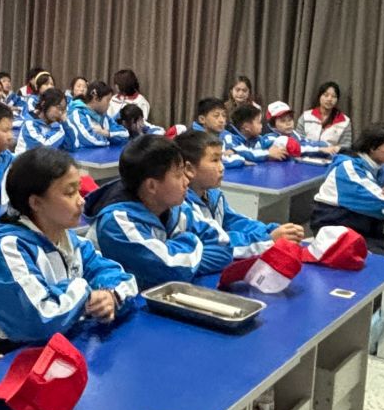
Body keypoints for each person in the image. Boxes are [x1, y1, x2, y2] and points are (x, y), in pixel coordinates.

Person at [0, 148, 140, 354]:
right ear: (36, 202)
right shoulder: (8, 249)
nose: (81, 200)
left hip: (49, 345)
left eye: (79, 190)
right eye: (70, 193)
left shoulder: (70, 241)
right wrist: (85, 292)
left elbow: (119, 277)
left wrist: (110, 295)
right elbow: (40, 318)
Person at [93, 134, 232, 290]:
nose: (186, 181)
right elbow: (170, 269)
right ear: (152, 186)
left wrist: (185, 264)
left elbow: (224, 248)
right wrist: (193, 241)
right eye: (178, 175)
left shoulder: (174, 206)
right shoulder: (116, 223)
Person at [176, 128, 304, 259]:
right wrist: (268, 239)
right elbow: (218, 241)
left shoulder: (213, 194)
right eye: (214, 160)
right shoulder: (182, 206)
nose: (222, 167)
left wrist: (271, 230)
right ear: (189, 169)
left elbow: (236, 221)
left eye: (221, 159)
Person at [311, 124, 384, 243]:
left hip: (364, 224)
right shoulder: (348, 169)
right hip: (335, 227)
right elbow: (381, 201)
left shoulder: (383, 168)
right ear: (372, 147)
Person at [192, 98, 255, 168]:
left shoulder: (224, 134)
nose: (222, 120)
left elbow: (242, 147)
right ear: (202, 119)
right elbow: (217, 161)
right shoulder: (195, 139)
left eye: (224, 116)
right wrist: (240, 160)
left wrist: (234, 150)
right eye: (216, 116)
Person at [223, 102, 289, 163]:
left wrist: (282, 146)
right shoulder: (229, 138)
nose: (262, 125)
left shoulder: (256, 138)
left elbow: (269, 142)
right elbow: (242, 151)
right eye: (259, 122)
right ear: (246, 127)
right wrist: (268, 153)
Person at [66, 80, 120, 147]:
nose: (109, 105)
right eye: (107, 100)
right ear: (95, 97)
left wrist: (107, 134)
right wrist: (109, 140)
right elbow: (88, 139)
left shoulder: (103, 116)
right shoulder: (77, 114)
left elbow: (125, 134)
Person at [265, 101, 330, 156]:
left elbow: (304, 142)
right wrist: (319, 149)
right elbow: (296, 149)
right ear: (273, 125)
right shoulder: (270, 138)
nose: (288, 123)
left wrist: (326, 145)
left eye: (290, 119)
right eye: (283, 121)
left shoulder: (293, 134)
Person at [302, 81, 352, 150]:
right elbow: (299, 140)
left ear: (337, 100)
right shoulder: (306, 116)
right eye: (326, 95)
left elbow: (346, 146)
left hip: (331, 156)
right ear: (319, 96)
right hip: (306, 154)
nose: (329, 99)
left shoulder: (345, 121)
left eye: (334, 96)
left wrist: (333, 149)